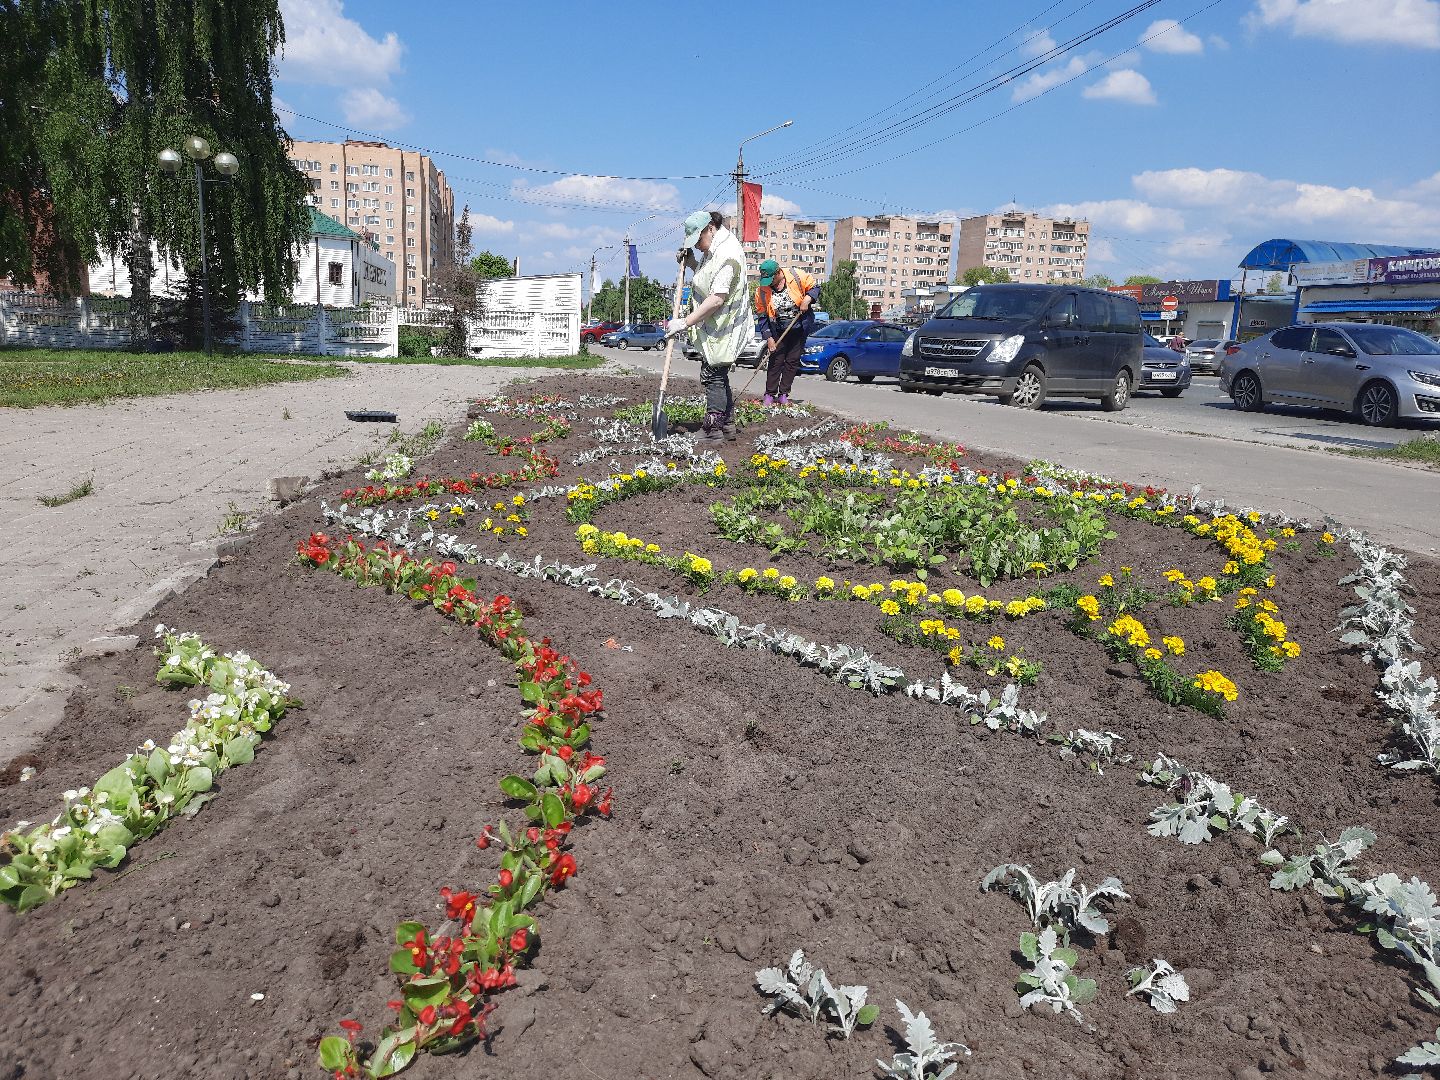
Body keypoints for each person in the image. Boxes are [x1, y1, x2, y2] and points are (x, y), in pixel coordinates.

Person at [664, 210, 750, 442]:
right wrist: (692, 262)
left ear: (710, 228)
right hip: (717, 325)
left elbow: (716, 298)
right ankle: (727, 425)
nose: (697, 245)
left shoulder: (727, 254)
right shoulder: (714, 249)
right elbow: (707, 276)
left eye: (698, 240)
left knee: (713, 375)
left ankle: (713, 430)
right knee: (718, 374)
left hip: (725, 326)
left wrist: (684, 322)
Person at [754, 258, 819, 405]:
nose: (769, 283)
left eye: (771, 279)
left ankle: (783, 394)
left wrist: (807, 299)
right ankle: (770, 394)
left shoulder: (796, 276)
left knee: (792, 361)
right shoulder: (761, 291)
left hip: (798, 327)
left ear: (778, 273)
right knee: (775, 361)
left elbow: (815, 288)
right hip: (777, 329)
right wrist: (769, 337)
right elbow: (762, 316)